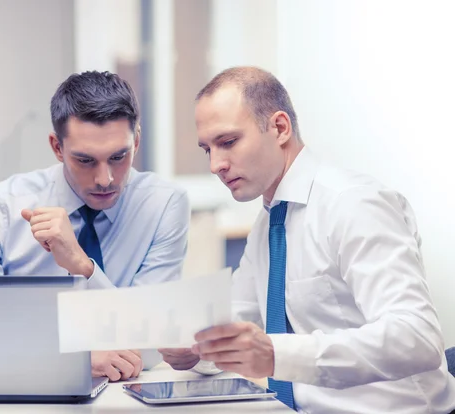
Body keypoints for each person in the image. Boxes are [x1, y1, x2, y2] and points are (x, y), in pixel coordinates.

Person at [160, 66, 455, 413]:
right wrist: (195, 348)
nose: (215, 165)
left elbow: (416, 338)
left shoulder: (353, 204)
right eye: (206, 149)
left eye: (227, 142)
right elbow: (237, 319)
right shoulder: (270, 222)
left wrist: (275, 354)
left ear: (280, 128)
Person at [0, 70, 190, 382]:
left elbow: (153, 337)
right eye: (86, 161)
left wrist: (82, 266)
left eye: (119, 156)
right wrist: (72, 358)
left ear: (137, 141)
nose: (105, 179)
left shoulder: (164, 205)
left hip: (128, 397)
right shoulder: (2, 207)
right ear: (57, 147)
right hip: (25, 393)